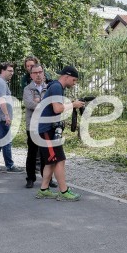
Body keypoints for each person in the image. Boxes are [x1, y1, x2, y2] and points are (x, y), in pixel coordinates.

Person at [34, 66, 86, 201]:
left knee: (51, 162)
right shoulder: (57, 87)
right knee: (59, 160)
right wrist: (73, 105)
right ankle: (64, 192)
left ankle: (44, 190)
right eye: (74, 80)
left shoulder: (56, 87)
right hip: (46, 129)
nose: (74, 83)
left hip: (46, 129)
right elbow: (57, 109)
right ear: (66, 77)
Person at [23, 62, 56, 189]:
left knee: (46, 154)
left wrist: (39, 102)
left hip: (46, 125)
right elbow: (29, 104)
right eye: (35, 73)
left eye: (40, 72)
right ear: (31, 75)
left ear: (43, 73)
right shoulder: (28, 89)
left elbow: (53, 103)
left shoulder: (49, 88)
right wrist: (43, 104)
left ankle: (47, 179)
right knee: (32, 153)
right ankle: (30, 178)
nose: (38, 75)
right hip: (32, 125)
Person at [0, 62, 24, 173]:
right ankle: (10, 166)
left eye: (12, 71)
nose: (12, 73)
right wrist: (6, 115)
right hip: (1, 119)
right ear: (2, 71)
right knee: (6, 141)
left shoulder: (0, 82)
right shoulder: (1, 83)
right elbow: (1, 100)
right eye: (9, 71)